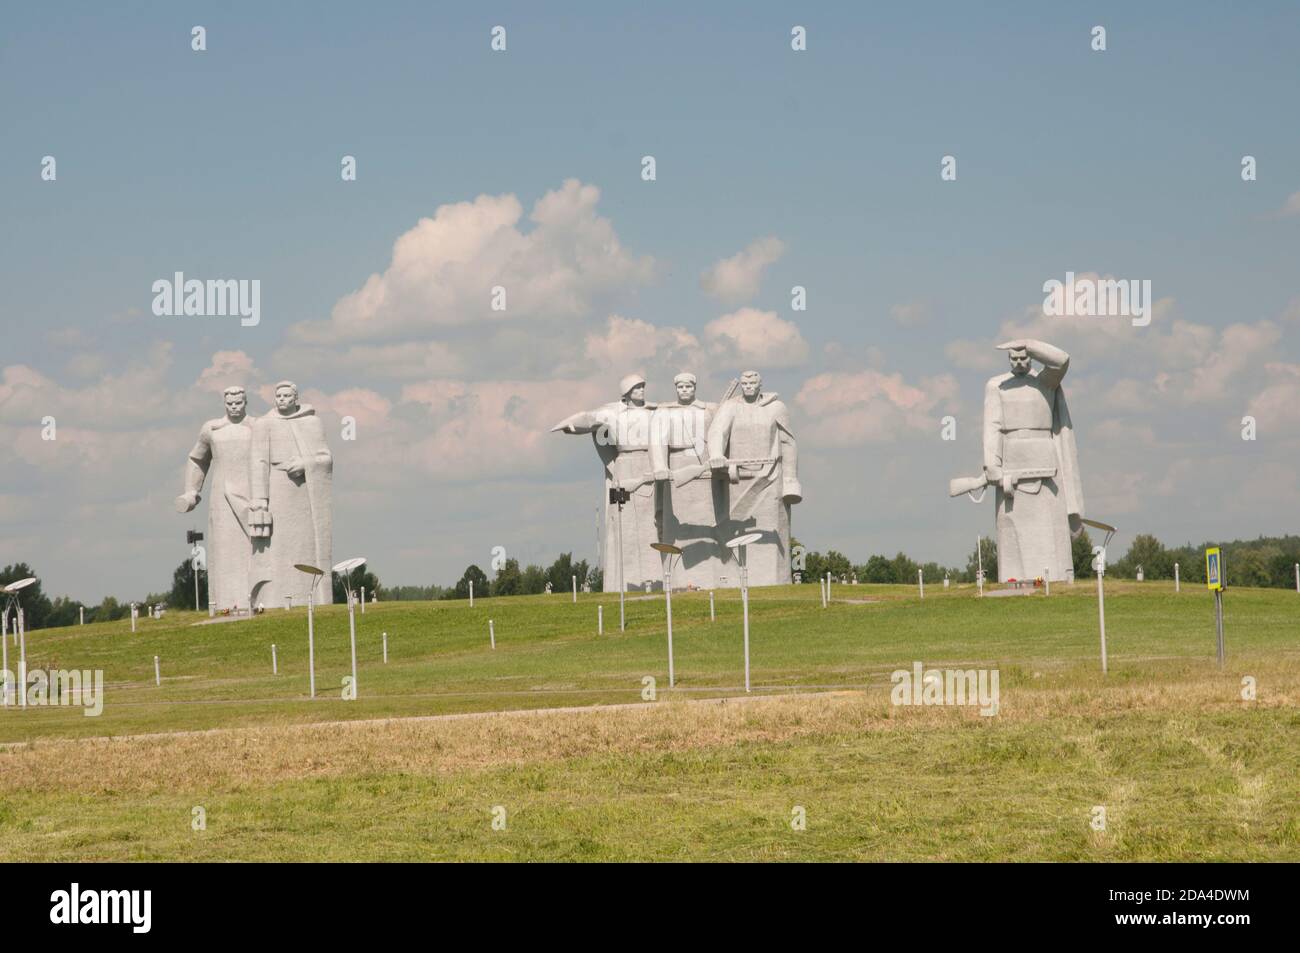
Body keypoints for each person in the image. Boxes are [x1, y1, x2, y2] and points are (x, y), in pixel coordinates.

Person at [982, 339, 1084, 582]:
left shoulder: (1045, 381)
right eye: (1013, 358)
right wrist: (991, 465)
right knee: (1012, 526)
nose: (1018, 362)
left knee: (1050, 527)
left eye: (1023, 357)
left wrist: (1028, 343)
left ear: (1031, 356)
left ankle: (1056, 576)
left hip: (1047, 461)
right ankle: (1014, 579)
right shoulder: (997, 385)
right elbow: (991, 427)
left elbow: (1062, 359)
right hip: (1010, 463)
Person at [706, 370, 801, 586]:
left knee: (769, 536)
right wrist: (716, 454)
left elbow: (788, 443)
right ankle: (730, 581)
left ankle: (773, 581)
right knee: (732, 531)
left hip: (770, 479)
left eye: (752, 383)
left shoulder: (776, 407)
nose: (748, 386)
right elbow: (717, 432)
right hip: (737, 479)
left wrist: (791, 479)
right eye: (745, 383)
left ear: (760, 385)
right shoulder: (731, 407)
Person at [249, 381, 334, 606]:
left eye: (287, 396)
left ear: (296, 398)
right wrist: (259, 500)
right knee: (277, 547)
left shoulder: (312, 422)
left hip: (304, 492)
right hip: (277, 488)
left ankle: (311, 595)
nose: (282, 399)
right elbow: (258, 462)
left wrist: (306, 463)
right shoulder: (264, 424)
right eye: (279, 396)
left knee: (305, 543)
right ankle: (277, 598)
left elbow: (325, 458)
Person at [175, 386, 254, 611]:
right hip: (222, 496)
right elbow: (197, 459)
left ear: (245, 402)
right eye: (230, 404)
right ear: (224, 404)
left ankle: (257, 599)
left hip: (253, 494)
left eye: (238, 403)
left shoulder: (257, 427)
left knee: (254, 548)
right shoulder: (212, 428)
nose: (234, 407)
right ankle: (226, 603)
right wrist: (192, 490)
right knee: (224, 548)